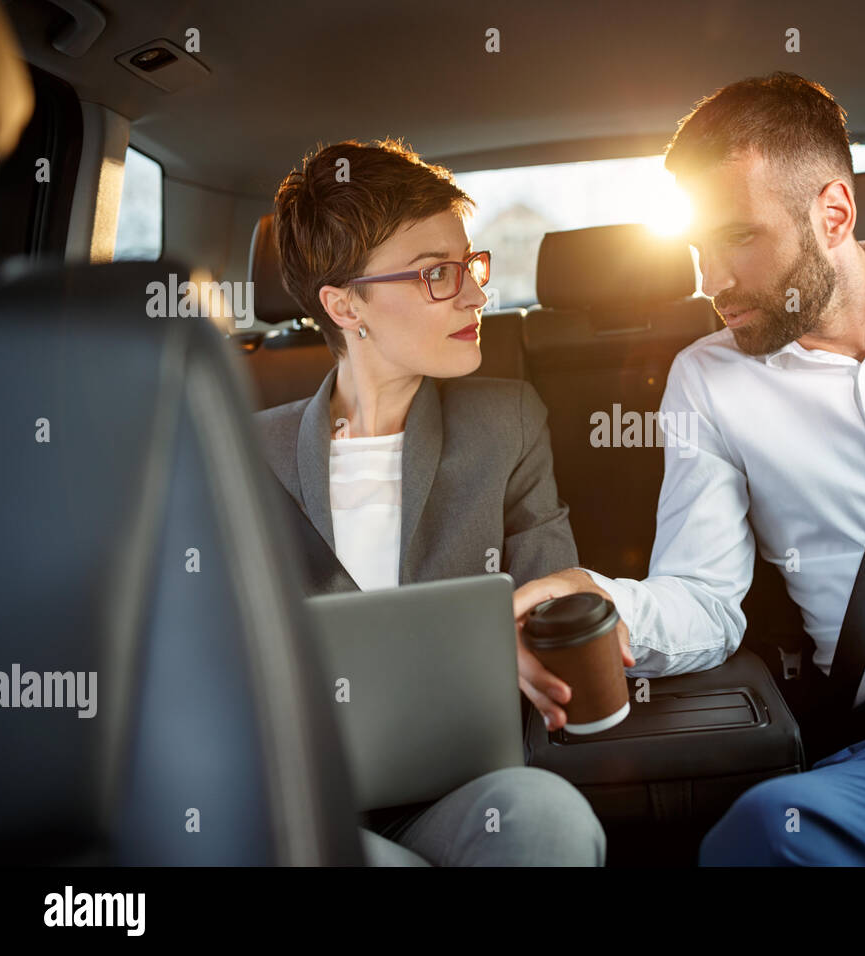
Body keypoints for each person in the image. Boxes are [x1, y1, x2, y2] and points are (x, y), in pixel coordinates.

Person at [513, 74, 865, 865]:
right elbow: (704, 597)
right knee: (764, 833)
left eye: (739, 238)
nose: (711, 282)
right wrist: (603, 598)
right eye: (697, 248)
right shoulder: (709, 379)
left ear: (833, 213)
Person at [256, 138, 604, 866]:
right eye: (437, 275)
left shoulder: (506, 421)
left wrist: (563, 608)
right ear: (344, 303)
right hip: (304, 805)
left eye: (471, 265)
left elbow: (551, 588)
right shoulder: (246, 451)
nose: (479, 294)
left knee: (549, 818)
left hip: (463, 795)